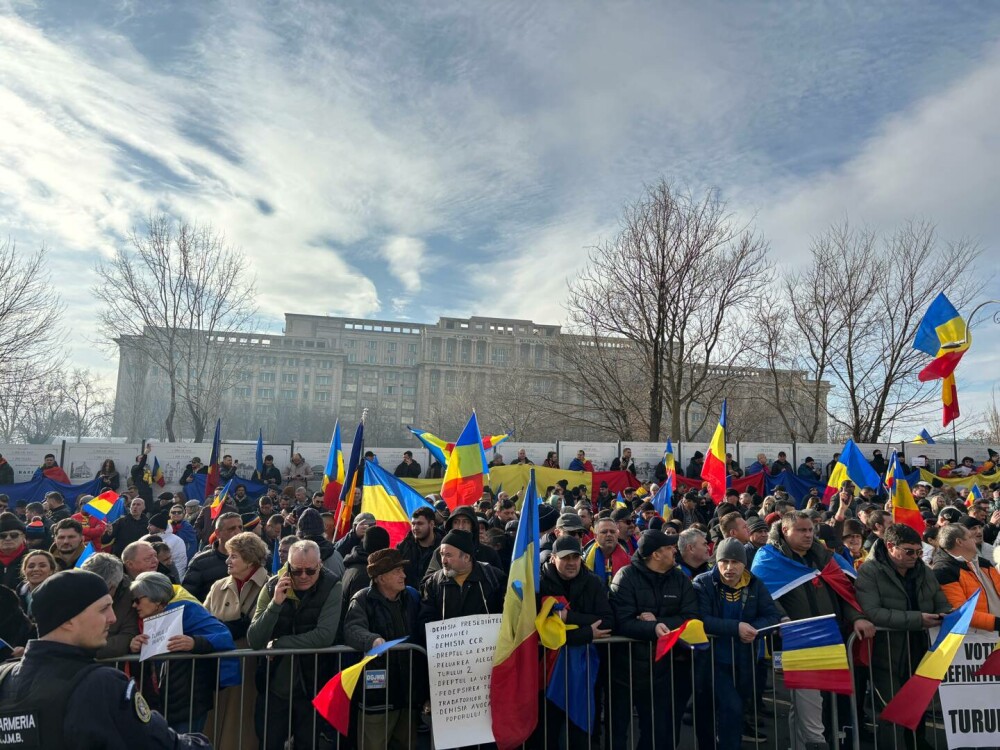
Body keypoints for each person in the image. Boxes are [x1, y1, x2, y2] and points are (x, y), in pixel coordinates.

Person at [0, 568, 211, 747]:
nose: (112, 618)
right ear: (68, 620)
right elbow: (159, 743)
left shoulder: (5, 677)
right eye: (103, 609)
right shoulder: (101, 683)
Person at [752, 512, 874, 750]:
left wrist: (857, 617)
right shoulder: (767, 558)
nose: (809, 535)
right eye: (801, 530)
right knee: (808, 704)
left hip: (832, 636)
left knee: (826, 703)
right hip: (799, 639)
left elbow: (844, 591)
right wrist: (782, 618)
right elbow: (763, 595)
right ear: (785, 531)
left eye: (810, 530)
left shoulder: (825, 558)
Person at [855, 524, 950, 749]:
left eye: (919, 552)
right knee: (892, 710)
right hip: (886, 652)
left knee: (918, 706)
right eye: (909, 551)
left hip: (920, 649)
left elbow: (939, 597)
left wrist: (947, 612)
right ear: (890, 547)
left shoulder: (923, 569)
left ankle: (918, 744)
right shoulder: (870, 571)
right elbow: (873, 612)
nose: (915, 557)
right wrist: (919, 619)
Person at [248, 539, 342, 750]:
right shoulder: (273, 585)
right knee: (269, 743)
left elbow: (324, 635)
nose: (303, 577)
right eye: (297, 571)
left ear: (320, 565)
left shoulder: (332, 586)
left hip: (312, 684)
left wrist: (280, 643)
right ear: (288, 566)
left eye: (310, 570)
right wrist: (275, 604)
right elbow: (254, 638)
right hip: (275, 685)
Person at [609, 529, 698, 750]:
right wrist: (652, 628)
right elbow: (621, 621)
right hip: (624, 670)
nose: (674, 550)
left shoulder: (679, 578)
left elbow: (691, 616)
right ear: (656, 554)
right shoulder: (625, 577)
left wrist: (657, 620)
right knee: (617, 732)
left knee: (657, 733)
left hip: (662, 672)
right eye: (669, 548)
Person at [693, 538, 781, 749]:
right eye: (724, 562)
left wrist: (755, 629)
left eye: (735, 562)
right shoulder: (702, 583)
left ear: (744, 564)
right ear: (716, 562)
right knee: (715, 712)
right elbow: (700, 619)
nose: (729, 568)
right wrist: (736, 628)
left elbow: (772, 616)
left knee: (734, 713)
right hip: (710, 662)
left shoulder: (755, 584)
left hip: (742, 662)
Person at [530, 535, 614, 750]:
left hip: (584, 669)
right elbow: (536, 629)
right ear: (553, 559)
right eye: (566, 558)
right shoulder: (539, 583)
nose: (571, 563)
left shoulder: (593, 581)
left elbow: (608, 621)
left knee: (581, 730)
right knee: (547, 731)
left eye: (576, 557)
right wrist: (586, 632)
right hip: (547, 669)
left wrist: (568, 618)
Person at [129, 572, 238, 734]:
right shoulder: (140, 620)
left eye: (138, 600)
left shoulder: (187, 610)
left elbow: (223, 636)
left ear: (157, 599)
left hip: (188, 702)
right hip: (158, 704)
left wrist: (194, 643)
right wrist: (133, 648)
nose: (134, 606)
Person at [343, 548, 426, 750]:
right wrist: (372, 640)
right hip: (377, 695)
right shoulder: (362, 599)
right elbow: (352, 628)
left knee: (406, 743)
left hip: (407, 692)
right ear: (380, 577)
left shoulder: (411, 597)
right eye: (397, 571)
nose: (403, 575)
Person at [203, 531, 270, 750]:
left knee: (242, 723)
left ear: (250, 558)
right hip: (219, 668)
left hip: (251, 668)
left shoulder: (269, 586)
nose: (227, 560)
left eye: (233, 556)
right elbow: (204, 622)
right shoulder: (218, 586)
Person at [419, 530, 504, 625]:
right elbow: (425, 620)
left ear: (466, 557)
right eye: (442, 554)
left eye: (448, 555)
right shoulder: (433, 583)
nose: (443, 561)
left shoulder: (493, 577)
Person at [932, 523, 1000, 632]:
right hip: (976, 640)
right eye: (969, 537)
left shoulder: (984, 563)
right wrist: (997, 624)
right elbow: (961, 611)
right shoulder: (944, 571)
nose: (974, 539)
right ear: (959, 542)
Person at [183, 512, 244, 600]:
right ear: (218, 533)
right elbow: (187, 597)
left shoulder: (251, 558)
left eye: (240, 527)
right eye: (232, 529)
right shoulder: (200, 562)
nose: (238, 532)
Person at [396, 506, 442, 587]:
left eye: (420, 523)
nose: (415, 528)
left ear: (431, 524)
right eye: (413, 524)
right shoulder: (402, 547)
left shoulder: (444, 547)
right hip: (408, 597)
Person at [583, 516, 631, 587]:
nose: (609, 534)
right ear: (595, 536)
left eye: (612, 532)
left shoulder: (630, 561)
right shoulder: (583, 561)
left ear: (617, 535)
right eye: (604, 532)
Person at [146, 511, 189, 579]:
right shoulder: (144, 539)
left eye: (151, 525)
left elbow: (180, 564)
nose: (147, 527)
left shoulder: (177, 541)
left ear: (160, 527)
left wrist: (176, 580)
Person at [17, 549, 56, 615]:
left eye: (42, 566)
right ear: (24, 571)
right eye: (31, 566)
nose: (36, 569)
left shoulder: (58, 594)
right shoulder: (18, 593)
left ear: (51, 570)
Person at [0, 512, 29, 590]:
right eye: (2, 536)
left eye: (14, 535)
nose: (8, 538)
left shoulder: (33, 559)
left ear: (23, 537)